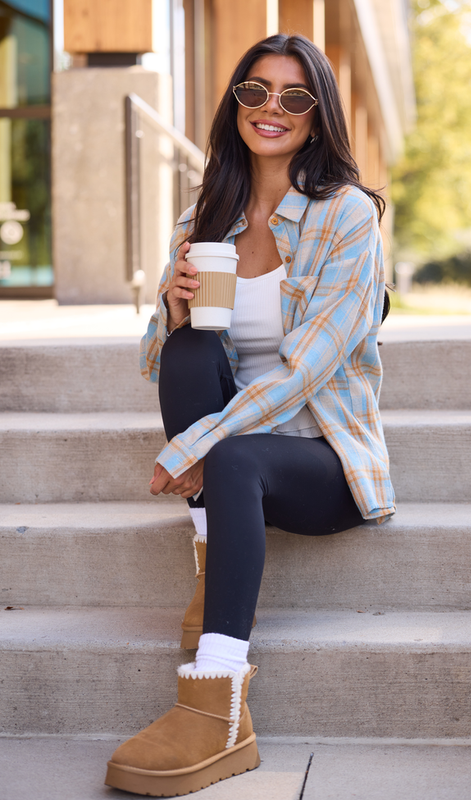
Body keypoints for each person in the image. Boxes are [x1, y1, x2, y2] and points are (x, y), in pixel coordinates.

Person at [105, 32, 395, 797]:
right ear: (234, 101)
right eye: (255, 91)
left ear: (317, 114)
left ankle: (217, 704)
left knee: (232, 454)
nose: (272, 109)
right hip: (233, 439)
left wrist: (196, 442)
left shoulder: (347, 218)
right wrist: (167, 310)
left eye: (294, 97)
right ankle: (214, 562)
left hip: (319, 457)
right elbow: (156, 361)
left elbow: (309, 369)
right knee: (188, 352)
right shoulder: (206, 213)